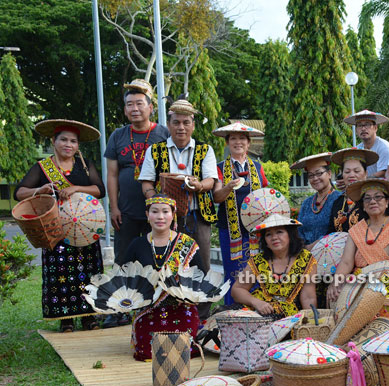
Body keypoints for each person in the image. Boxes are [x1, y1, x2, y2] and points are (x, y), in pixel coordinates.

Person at [15, 119, 105, 332]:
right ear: (54, 141)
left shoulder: (85, 165)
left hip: (84, 227)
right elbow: (19, 192)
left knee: (89, 271)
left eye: (73, 141)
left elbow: (100, 189)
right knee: (61, 273)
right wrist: (40, 190)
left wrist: (75, 189)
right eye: (63, 139)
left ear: (77, 145)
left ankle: (89, 317)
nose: (68, 144)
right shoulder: (42, 168)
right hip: (56, 228)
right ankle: (66, 319)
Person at [138, 99, 219, 319]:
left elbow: (211, 180)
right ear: (169, 124)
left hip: (196, 216)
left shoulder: (205, 149)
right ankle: (164, 312)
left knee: (200, 266)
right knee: (164, 265)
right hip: (165, 221)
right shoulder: (155, 150)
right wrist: (155, 201)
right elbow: (146, 182)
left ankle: (199, 316)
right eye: (176, 122)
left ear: (193, 125)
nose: (181, 127)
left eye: (185, 122)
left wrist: (199, 185)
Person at [103, 79, 169, 328]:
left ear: (150, 107)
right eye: (129, 104)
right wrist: (114, 207)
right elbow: (111, 174)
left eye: (139, 104)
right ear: (125, 109)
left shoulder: (163, 133)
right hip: (127, 210)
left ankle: (161, 304)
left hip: (160, 211)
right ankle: (118, 308)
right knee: (123, 259)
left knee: (159, 257)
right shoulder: (118, 136)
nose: (134, 109)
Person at [120, 195, 204, 361]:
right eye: (155, 211)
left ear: (173, 214)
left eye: (165, 211)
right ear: (147, 214)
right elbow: (124, 276)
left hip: (181, 308)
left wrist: (186, 292)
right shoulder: (137, 244)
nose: (160, 217)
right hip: (149, 309)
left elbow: (200, 276)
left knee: (186, 349)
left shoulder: (187, 243)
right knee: (146, 352)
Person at [212, 122, 268, 305]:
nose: (238, 142)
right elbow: (217, 197)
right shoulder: (220, 167)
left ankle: (256, 309)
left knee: (256, 269)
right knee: (233, 271)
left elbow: (266, 196)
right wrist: (228, 187)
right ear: (228, 143)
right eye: (233, 138)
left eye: (242, 138)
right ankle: (231, 309)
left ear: (248, 143)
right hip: (230, 230)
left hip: (255, 230)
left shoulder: (258, 168)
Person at [327, 179, 389, 302]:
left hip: (386, 286)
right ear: (363, 206)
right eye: (367, 198)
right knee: (334, 293)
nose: (372, 201)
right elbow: (346, 262)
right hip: (357, 284)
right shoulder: (357, 229)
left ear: (387, 202)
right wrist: (335, 283)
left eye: (378, 197)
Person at [231, 214, 317, 316]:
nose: (274, 237)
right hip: (257, 313)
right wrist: (256, 302)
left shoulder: (306, 259)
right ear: (265, 241)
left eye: (279, 232)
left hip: (288, 318)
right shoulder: (258, 260)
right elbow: (237, 290)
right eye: (268, 234)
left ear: (290, 235)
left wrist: (310, 320)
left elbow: (308, 297)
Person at [290, 153, 341, 247]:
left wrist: (315, 246)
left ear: (329, 174)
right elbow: (299, 231)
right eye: (311, 175)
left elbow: (340, 232)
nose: (315, 178)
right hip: (307, 255)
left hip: (332, 253)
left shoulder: (340, 199)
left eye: (319, 173)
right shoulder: (307, 203)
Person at [327, 148, 378, 233]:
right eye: (347, 172)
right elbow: (330, 232)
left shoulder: (375, 199)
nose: (351, 175)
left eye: (356, 171)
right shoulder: (338, 202)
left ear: (366, 173)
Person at [344, 110, 389, 180]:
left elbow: (384, 172)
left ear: (375, 128)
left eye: (367, 125)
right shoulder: (358, 149)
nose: (363, 128)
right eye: (360, 125)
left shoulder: (384, 147)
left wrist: (363, 179)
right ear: (356, 130)